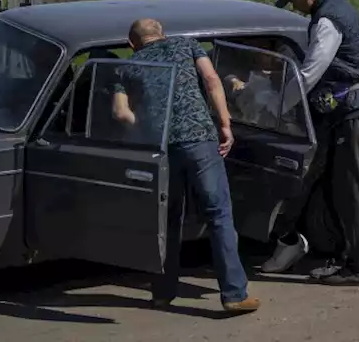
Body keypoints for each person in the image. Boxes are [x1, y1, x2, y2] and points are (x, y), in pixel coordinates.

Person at [110, 19, 260, 314]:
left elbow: (119, 112)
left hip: (163, 149)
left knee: (167, 220)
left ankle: (162, 294)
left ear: (132, 44)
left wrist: (146, 128)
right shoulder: (187, 45)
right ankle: (233, 294)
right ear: (162, 34)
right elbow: (212, 80)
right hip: (200, 141)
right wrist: (225, 124)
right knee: (218, 214)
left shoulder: (125, 67)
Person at [262, 0, 359, 284]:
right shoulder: (334, 8)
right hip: (345, 109)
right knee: (340, 189)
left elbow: (310, 72)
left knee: (351, 191)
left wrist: (277, 108)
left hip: (351, 112)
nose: (294, 6)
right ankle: (346, 260)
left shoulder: (328, 20)